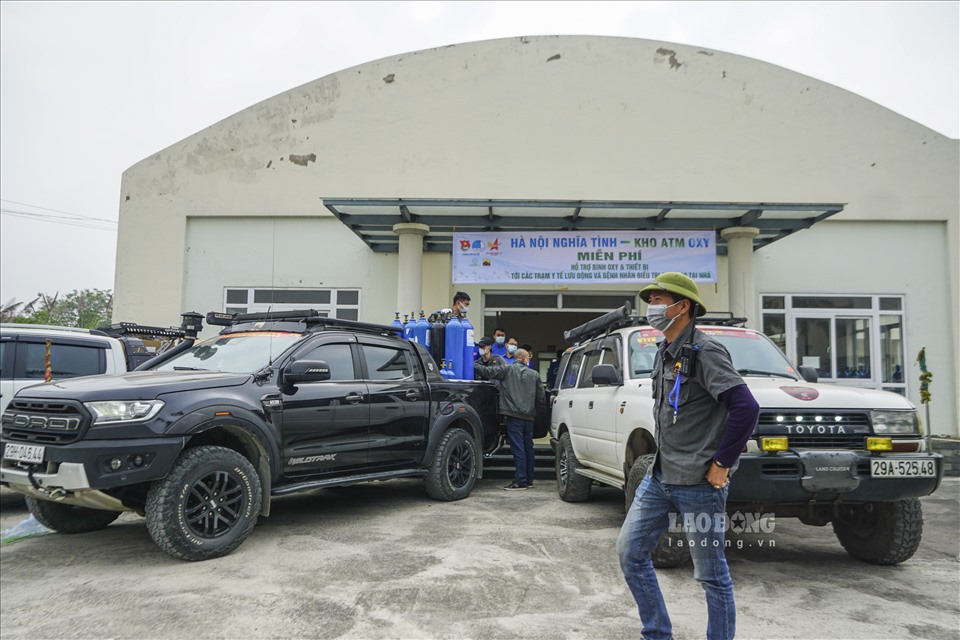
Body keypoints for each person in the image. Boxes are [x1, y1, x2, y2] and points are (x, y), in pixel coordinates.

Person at [616, 272, 759, 640]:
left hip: (699, 482)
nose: (653, 307)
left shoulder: (706, 351)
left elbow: (745, 407)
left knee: (711, 576)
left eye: (660, 300)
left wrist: (722, 463)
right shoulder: (665, 351)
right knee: (630, 553)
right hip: (660, 476)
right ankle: (657, 633)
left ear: (683, 307)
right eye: (652, 300)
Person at [474, 347, 544, 490]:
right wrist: (540, 417)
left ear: (516, 358)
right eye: (528, 358)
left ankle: (521, 481)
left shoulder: (507, 370)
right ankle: (529, 480)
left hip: (513, 416)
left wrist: (473, 364)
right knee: (528, 448)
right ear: (525, 359)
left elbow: (487, 372)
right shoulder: (535, 375)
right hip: (529, 417)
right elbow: (541, 398)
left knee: (518, 448)